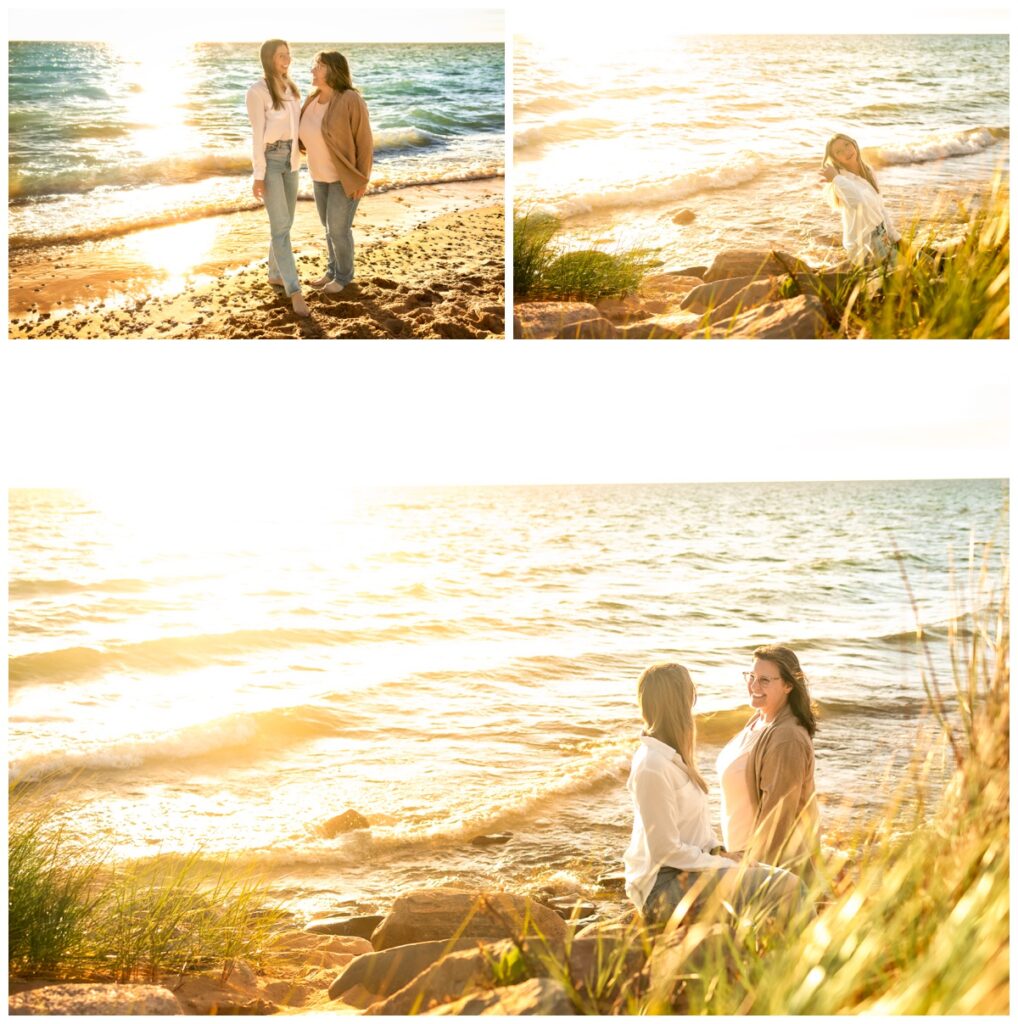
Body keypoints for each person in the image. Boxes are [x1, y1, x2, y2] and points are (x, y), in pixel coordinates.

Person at [624, 662, 810, 930]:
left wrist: (719, 852)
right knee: (787, 887)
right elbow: (665, 851)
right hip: (661, 888)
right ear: (680, 701)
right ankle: (813, 964)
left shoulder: (671, 757)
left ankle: (780, 960)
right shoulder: (653, 765)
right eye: (691, 692)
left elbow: (688, 832)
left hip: (686, 872)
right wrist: (719, 863)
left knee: (785, 881)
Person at [716, 645, 819, 879]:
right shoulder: (759, 720)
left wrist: (756, 875)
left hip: (762, 867)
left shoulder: (787, 738)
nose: (753, 686)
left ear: (788, 685)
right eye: (751, 676)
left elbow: (777, 819)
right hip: (742, 855)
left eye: (764, 680)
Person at [298, 52, 373, 294]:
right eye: (313, 66)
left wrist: (363, 177)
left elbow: (364, 142)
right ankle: (332, 271)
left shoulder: (350, 99)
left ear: (332, 69)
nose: (312, 71)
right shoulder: (311, 99)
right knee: (328, 227)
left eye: (317, 66)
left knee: (338, 230)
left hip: (344, 178)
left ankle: (344, 277)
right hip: (318, 176)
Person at [246, 39, 310, 318]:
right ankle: (294, 290)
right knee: (281, 228)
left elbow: (298, 128)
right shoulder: (257, 92)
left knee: (285, 224)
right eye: (282, 55)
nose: (288, 59)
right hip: (271, 162)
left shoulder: (292, 89)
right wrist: (258, 175)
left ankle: (275, 273)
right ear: (269, 59)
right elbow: (257, 137)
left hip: (291, 160)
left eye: (289, 54)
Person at [821, 133, 900, 266]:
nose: (846, 151)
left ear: (853, 143)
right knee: (904, 273)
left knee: (921, 264)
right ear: (835, 159)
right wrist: (836, 178)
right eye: (839, 152)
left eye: (847, 145)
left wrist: (896, 238)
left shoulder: (867, 170)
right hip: (863, 246)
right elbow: (859, 203)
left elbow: (880, 208)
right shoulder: (841, 181)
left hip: (882, 235)